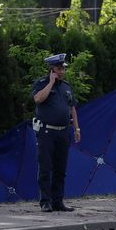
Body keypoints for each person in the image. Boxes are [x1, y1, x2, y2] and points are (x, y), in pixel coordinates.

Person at [31, 53, 81, 212]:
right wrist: (51, 83)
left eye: (63, 69)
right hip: (47, 132)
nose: (62, 71)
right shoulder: (42, 83)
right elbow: (38, 99)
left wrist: (76, 128)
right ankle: (45, 201)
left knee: (60, 168)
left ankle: (58, 201)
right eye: (59, 69)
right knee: (45, 167)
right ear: (52, 70)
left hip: (63, 132)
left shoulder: (66, 86)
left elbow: (72, 107)